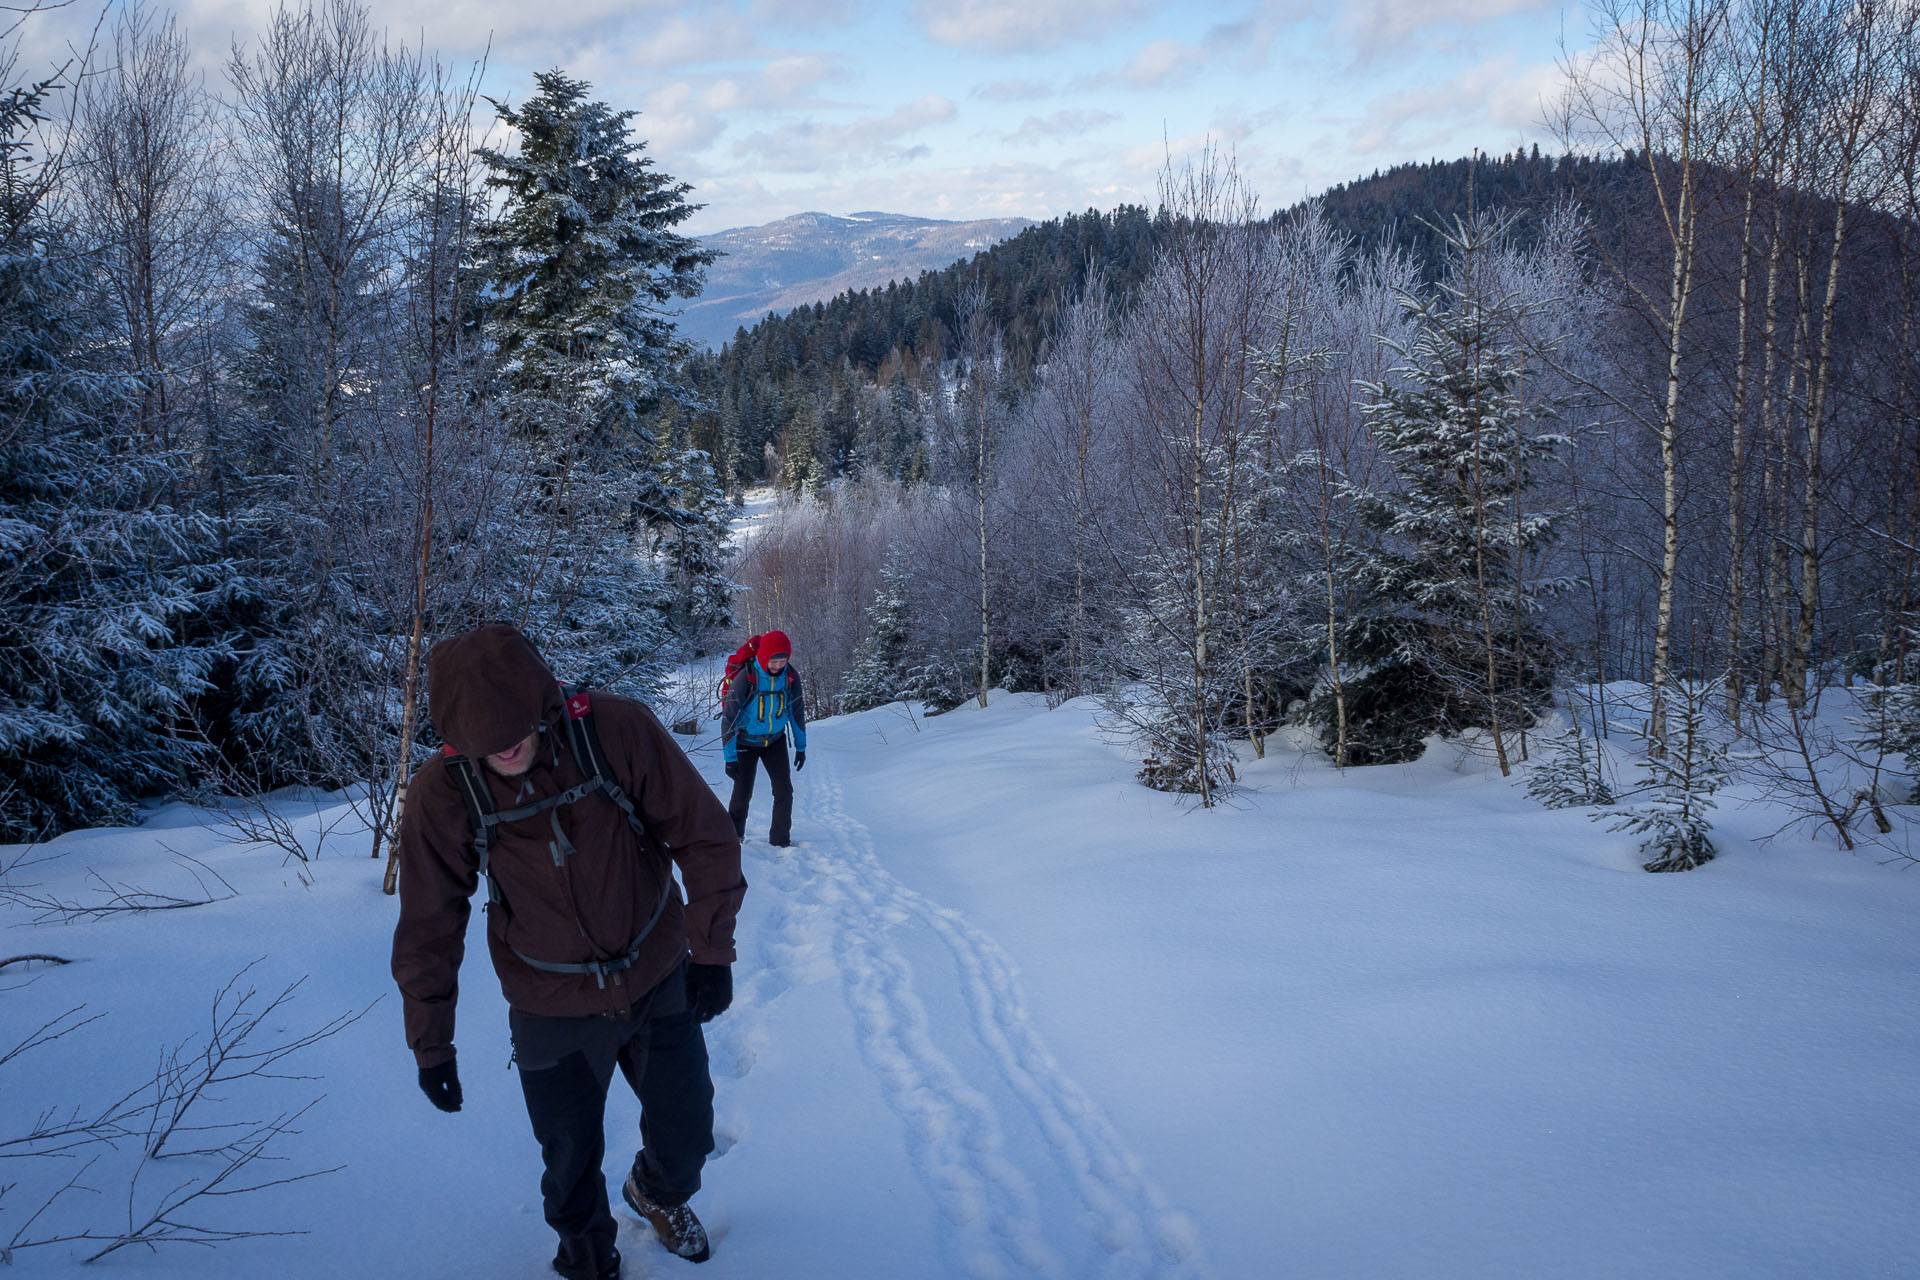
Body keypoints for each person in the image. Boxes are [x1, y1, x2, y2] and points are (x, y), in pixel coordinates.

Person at [391, 624, 746, 1278]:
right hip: (548, 1003)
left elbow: (704, 835)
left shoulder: (615, 730)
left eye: (516, 732)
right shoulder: (444, 792)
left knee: (688, 1133)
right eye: (486, 745)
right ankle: (586, 1253)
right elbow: (427, 925)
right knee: (570, 1157)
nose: (506, 750)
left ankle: (657, 1193)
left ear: (542, 702)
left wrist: (713, 952)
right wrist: (431, 1044)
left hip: (656, 971)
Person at [721, 629, 807, 847]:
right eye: (774, 660)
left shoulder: (790, 677)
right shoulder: (747, 677)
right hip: (745, 742)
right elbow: (730, 717)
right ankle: (733, 839)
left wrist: (801, 746)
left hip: (774, 741)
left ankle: (780, 840)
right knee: (742, 793)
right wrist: (729, 758)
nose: (778, 665)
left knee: (784, 791)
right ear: (763, 657)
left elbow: (797, 712)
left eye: (783, 660)